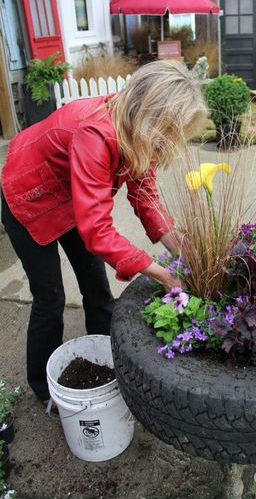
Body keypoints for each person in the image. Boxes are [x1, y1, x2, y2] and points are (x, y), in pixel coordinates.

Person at [1, 59, 207, 405]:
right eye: (170, 131)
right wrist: (163, 275)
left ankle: (108, 357)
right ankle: (45, 388)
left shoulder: (138, 130)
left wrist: (180, 249)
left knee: (96, 285)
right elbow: (97, 230)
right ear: (153, 115)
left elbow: (145, 198)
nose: (171, 141)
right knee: (49, 297)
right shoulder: (95, 134)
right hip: (30, 194)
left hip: (74, 196)